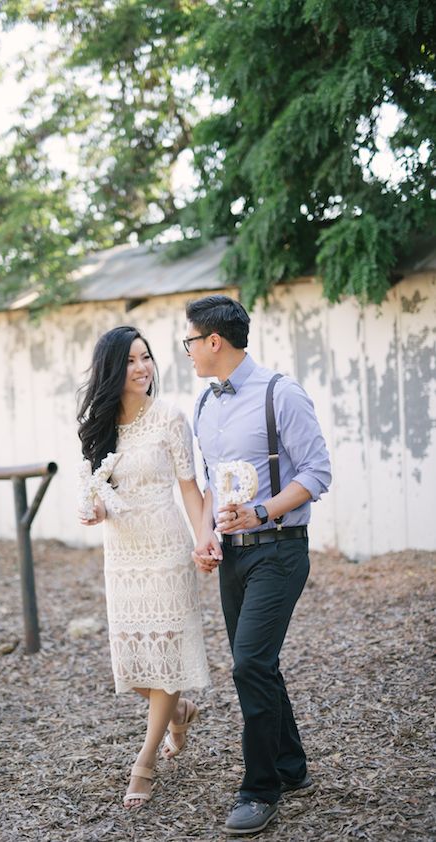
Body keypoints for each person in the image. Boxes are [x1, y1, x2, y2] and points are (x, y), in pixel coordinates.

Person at [184, 295, 331, 836]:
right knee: (260, 664)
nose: (189, 353)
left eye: (190, 342)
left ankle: (260, 789)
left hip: (280, 549)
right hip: (232, 558)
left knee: (247, 664)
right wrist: (206, 539)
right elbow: (207, 485)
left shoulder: (281, 394)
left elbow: (317, 472)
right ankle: (293, 770)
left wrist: (261, 511)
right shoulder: (204, 404)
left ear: (214, 342)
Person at [77, 325, 210, 809]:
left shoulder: (171, 418)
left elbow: (190, 490)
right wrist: (96, 510)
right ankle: (179, 712)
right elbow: (100, 492)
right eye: (132, 360)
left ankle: (145, 762)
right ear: (114, 368)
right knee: (134, 665)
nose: (142, 367)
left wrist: (204, 540)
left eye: (147, 357)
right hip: (123, 554)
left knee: (167, 655)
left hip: (168, 549)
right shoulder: (101, 425)